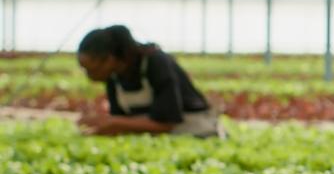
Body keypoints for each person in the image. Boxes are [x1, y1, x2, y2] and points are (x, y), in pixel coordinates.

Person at [75, 25, 223, 138]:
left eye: (91, 69)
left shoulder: (156, 62)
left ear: (110, 59)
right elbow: (122, 120)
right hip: (160, 139)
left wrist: (114, 122)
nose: (89, 75)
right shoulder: (114, 77)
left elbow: (167, 123)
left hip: (197, 132)